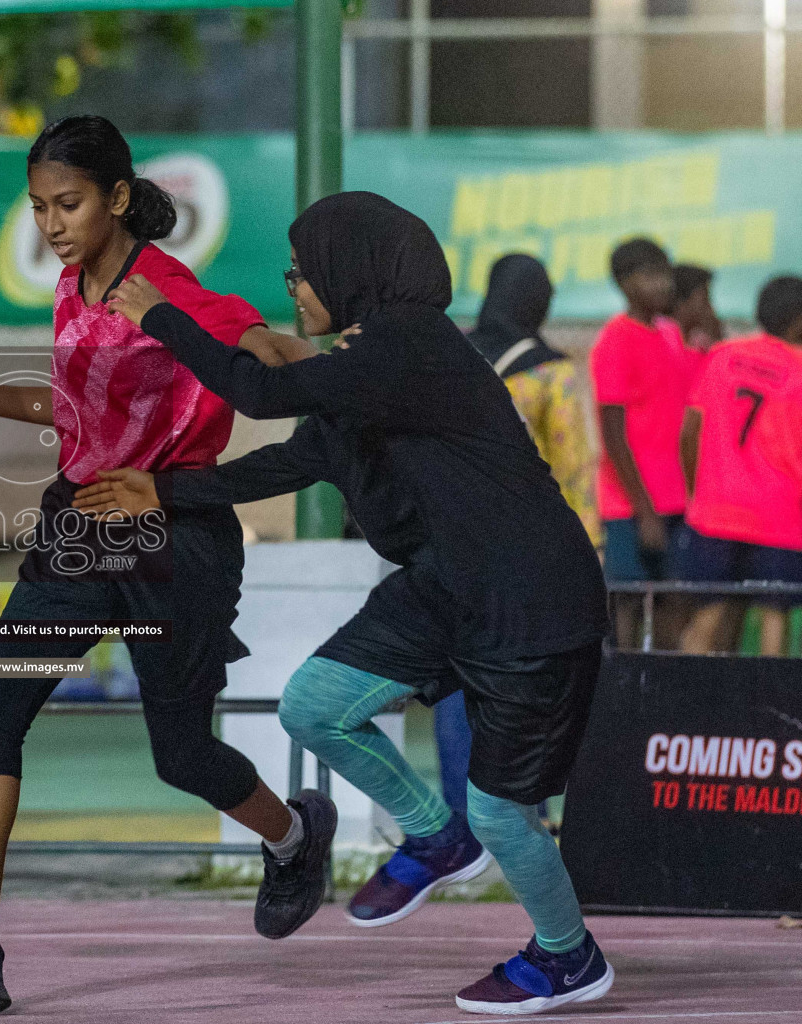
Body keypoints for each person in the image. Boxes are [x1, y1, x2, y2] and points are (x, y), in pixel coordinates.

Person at [81, 191, 614, 1016]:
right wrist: (161, 489)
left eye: (301, 269)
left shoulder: (413, 345)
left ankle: (568, 955)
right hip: (444, 589)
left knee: (506, 814)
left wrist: (163, 316)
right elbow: (279, 465)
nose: (291, 283)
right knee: (314, 706)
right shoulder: (369, 374)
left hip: (528, 601)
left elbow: (256, 396)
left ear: (348, 267)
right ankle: (436, 836)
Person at [0, 114, 333, 1017]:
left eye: (68, 203)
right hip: (79, 529)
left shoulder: (168, 288)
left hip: (173, 536)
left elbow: (262, 347)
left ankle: (290, 837)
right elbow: (81, 402)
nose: (50, 222)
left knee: (182, 753)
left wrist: (351, 376)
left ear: (118, 198)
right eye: (39, 206)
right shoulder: (75, 286)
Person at [439, 253, 597, 820]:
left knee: (455, 682)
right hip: (529, 557)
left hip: (449, 550)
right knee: (530, 686)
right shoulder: (551, 372)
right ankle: (523, 814)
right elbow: (573, 473)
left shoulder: (451, 354)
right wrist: (590, 557)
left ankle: (462, 819)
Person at [675, 276, 802, 656]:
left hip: (717, 509)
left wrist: (696, 493)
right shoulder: (798, 370)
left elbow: (688, 433)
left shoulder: (723, 356)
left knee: (708, 615)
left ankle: (678, 703)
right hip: (779, 514)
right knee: (773, 616)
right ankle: (770, 712)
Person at [591, 238, 704, 648]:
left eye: (665, 274)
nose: (663, 285)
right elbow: (613, 434)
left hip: (678, 500)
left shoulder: (672, 334)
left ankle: (665, 693)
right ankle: (621, 695)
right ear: (624, 284)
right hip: (632, 506)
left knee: (677, 599)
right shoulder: (615, 340)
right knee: (627, 602)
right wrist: (644, 510)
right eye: (650, 276)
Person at [671, 263, 722, 353]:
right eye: (704, 300)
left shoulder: (701, 341)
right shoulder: (666, 346)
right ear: (680, 303)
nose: (710, 308)